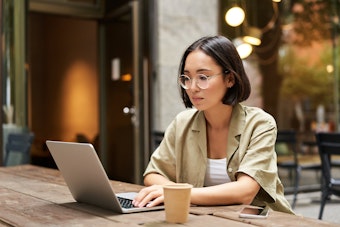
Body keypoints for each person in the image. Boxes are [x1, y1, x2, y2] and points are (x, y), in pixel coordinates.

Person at [132, 35, 294, 214]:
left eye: (203, 77)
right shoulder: (182, 123)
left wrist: (178, 193)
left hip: (262, 221)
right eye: (187, 78)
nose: (192, 87)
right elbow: (153, 174)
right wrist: (175, 192)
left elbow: (245, 191)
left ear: (230, 79)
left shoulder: (260, 124)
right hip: (204, 219)